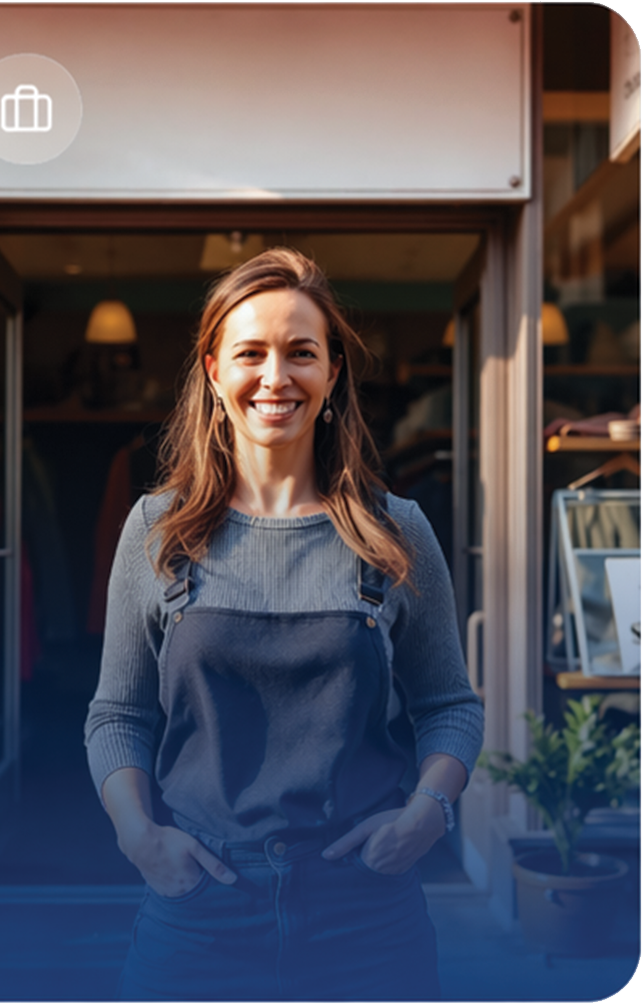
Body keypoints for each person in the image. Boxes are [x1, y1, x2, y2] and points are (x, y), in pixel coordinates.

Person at [84, 247, 484, 1001]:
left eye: (301, 352)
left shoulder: (395, 531)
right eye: (251, 353)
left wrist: (426, 815)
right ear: (212, 371)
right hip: (198, 906)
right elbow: (119, 713)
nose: (276, 377)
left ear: (332, 372)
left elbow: (448, 706)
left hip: (366, 912)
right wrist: (138, 836)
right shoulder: (157, 531)